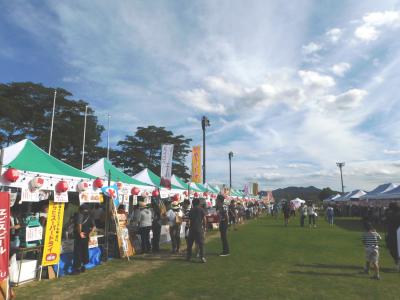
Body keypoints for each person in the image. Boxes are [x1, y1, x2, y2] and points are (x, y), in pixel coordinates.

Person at [72, 204, 95, 274]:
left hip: (80, 236)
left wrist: (80, 233)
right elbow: (94, 226)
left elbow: (79, 224)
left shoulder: (80, 214)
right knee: (84, 250)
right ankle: (83, 266)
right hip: (86, 235)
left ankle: (77, 268)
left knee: (78, 251)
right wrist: (90, 234)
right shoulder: (89, 215)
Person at [186, 198, 206, 263]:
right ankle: (202, 257)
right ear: (199, 203)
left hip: (192, 229)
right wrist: (205, 227)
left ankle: (188, 257)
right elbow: (204, 219)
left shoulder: (191, 210)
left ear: (193, 203)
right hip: (199, 229)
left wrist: (188, 226)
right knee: (201, 244)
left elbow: (188, 220)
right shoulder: (201, 209)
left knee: (189, 244)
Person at [384, 202, 400, 272]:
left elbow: (385, 220)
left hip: (392, 234)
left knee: (392, 249)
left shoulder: (390, 214)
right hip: (396, 232)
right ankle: (397, 263)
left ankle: (397, 263)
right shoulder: (392, 214)